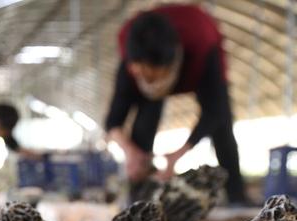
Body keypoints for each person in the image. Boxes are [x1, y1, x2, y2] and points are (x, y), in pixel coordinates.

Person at [105, 4, 248, 203]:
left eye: (155, 75)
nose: (152, 80)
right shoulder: (131, 54)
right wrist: (131, 152)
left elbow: (215, 110)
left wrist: (178, 154)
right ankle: (139, 193)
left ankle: (236, 195)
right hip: (149, 74)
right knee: (144, 120)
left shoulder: (202, 44)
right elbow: (113, 120)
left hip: (198, 53)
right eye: (145, 74)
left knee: (222, 125)